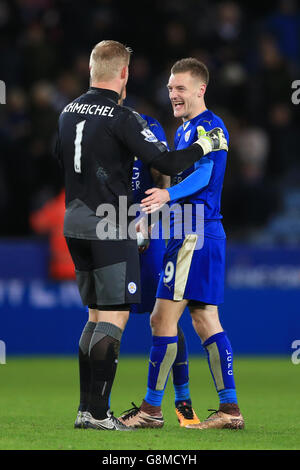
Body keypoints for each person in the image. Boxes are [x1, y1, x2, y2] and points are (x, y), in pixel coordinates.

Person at [55, 41, 228, 432]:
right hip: (114, 224)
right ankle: (101, 413)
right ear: (124, 74)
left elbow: (59, 158)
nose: (172, 94)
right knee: (124, 316)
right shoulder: (125, 118)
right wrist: (205, 145)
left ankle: (91, 409)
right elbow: (165, 164)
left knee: (99, 314)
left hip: (77, 221)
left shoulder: (66, 112)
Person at [119, 58, 244, 430]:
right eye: (171, 88)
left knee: (162, 318)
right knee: (205, 319)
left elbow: (204, 175)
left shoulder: (211, 126)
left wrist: (168, 194)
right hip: (199, 231)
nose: (173, 94)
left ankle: (151, 411)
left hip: (194, 231)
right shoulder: (185, 130)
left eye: (181, 88)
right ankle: (229, 410)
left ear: (200, 89)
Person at [130, 112, 200, 427]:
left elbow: (162, 174)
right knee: (108, 314)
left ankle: (182, 401)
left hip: (149, 229)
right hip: (113, 227)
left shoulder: (145, 126)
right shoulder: (101, 127)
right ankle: (96, 408)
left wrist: (148, 219)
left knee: (164, 318)